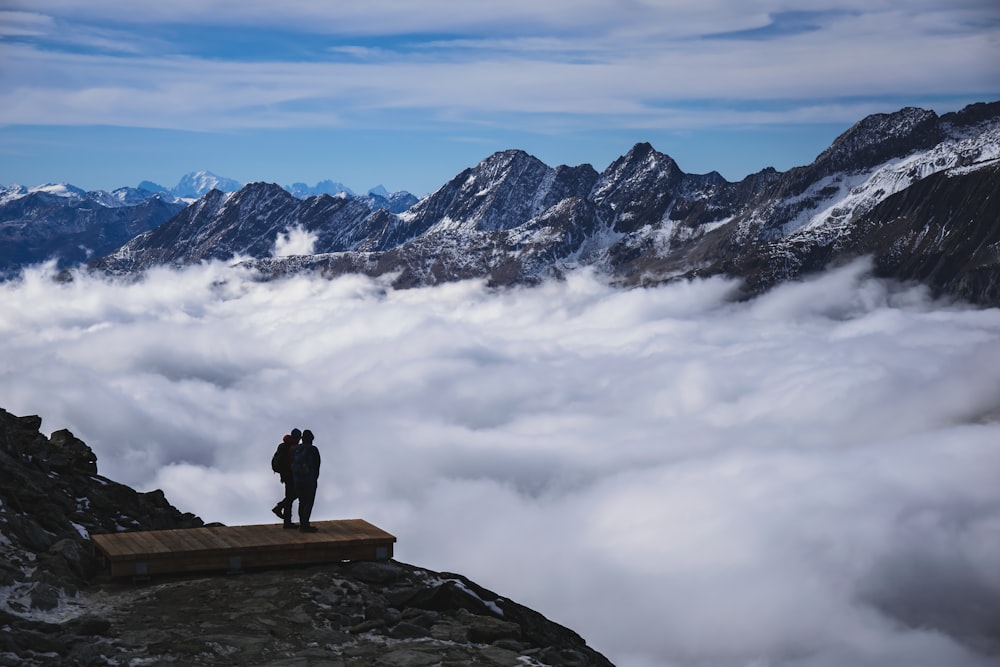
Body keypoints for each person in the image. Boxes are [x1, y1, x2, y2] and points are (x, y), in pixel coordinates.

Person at [271, 428, 301, 529]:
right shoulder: (293, 447)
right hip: (291, 476)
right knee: (291, 496)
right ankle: (286, 520)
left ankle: (284, 515)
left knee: (290, 496)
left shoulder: (283, 445)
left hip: (285, 475)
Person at [292, 428, 321, 533]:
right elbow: (317, 465)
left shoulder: (296, 449)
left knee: (301, 501)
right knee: (309, 502)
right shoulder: (313, 449)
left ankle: (303, 523)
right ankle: (305, 525)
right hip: (309, 480)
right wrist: (314, 477)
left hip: (297, 480)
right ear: (311, 439)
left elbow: (292, 463)